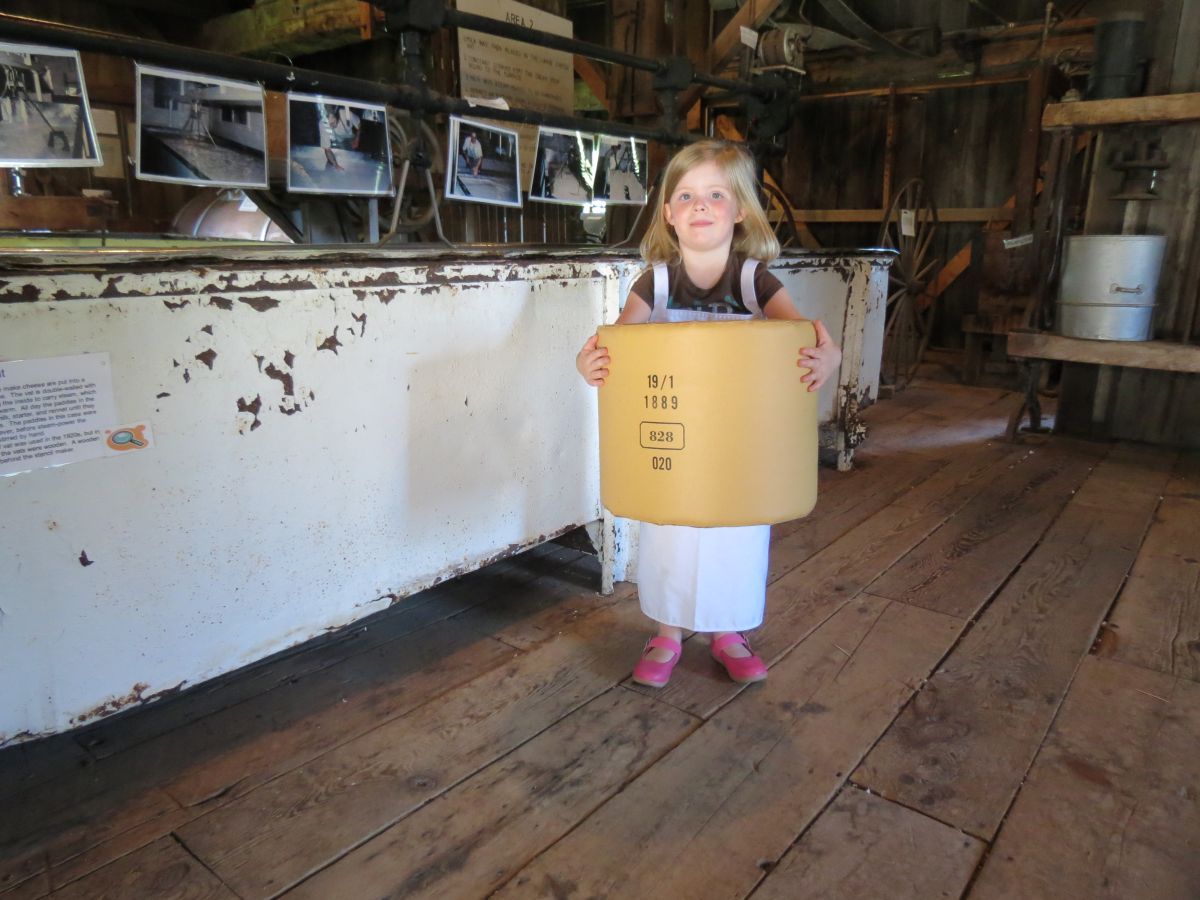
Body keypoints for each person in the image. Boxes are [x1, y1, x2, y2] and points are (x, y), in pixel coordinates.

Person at [575, 139, 842, 688]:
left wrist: (827, 353)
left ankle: (730, 632)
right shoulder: (655, 282)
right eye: (688, 195)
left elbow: (800, 334)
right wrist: (591, 360)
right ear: (668, 213)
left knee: (737, 541)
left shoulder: (756, 281)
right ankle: (667, 633)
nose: (701, 205)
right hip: (672, 444)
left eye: (716, 194)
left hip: (737, 447)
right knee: (670, 536)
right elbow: (621, 342)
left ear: (740, 208)